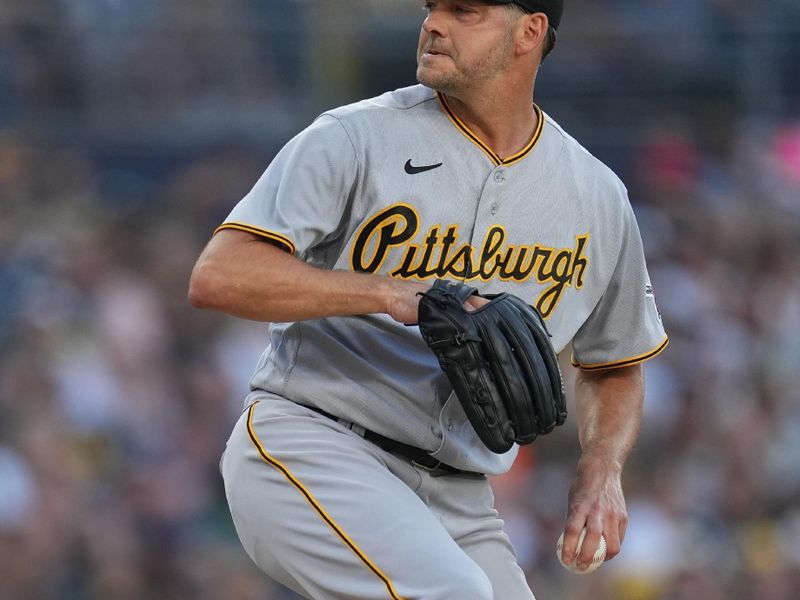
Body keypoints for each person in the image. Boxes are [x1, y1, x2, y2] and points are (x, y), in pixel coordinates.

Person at [188, 1, 668, 598]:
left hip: (460, 495)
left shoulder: (596, 197)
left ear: (530, 31)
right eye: (432, 7)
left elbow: (616, 362)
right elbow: (220, 274)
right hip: (315, 444)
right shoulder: (355, 136)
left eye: (463, 11)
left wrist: (602, 469)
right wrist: (383, 291)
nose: (434, 24)